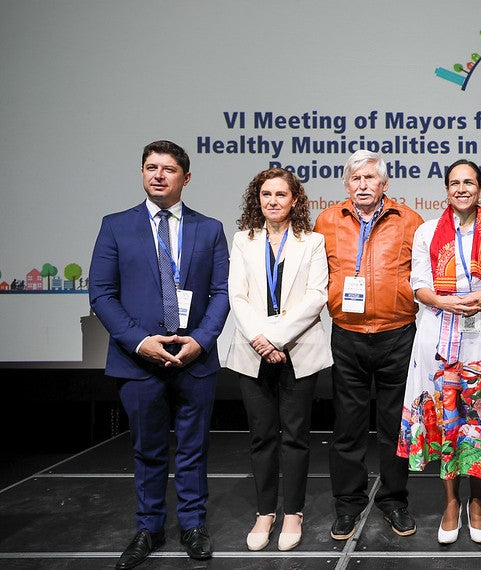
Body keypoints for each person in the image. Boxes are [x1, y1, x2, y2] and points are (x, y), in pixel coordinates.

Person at [89, 140, 229, 569]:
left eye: (168, 169)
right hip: (138, 361)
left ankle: (193, 525)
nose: (158, 175)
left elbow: (222, 292)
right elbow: (102, 293)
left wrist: (200, 340)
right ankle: (148, 528)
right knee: (147, 450)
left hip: (194, 358)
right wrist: (139, 341)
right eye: (151, 167)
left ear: (186, 177)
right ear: (142, 173)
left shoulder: (210, 229)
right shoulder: (116, 226)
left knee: (193, 449)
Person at [397, 159, 481, 545]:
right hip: (439, 332)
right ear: (447, 189)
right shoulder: (426, 232)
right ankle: (451, 502)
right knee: (447, 417)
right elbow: (418, 284)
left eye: (469, 182)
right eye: (454, 183)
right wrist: (443, 301)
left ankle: (478, 503)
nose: (462, 189)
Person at [314, 150, 424, 541]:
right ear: (347, 184)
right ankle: (348, 505)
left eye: (370, 178)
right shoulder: (327, 221)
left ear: (384, 184)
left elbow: (422, 274)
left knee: (395, 427)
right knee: (348, 427)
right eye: (356, 178)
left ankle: (394, 502)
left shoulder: (409, 220)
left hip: (398, 334)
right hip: (348, 335)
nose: (363, 185)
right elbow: (317, 274)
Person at [226, 167, 333, 552]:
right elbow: (237, 295)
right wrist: (261, 339)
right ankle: (265, 512)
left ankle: (293, 513)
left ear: (294, 200)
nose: (273, 201)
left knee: (296, 437)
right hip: (252, 350)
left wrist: (276, 338)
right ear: (257, 200)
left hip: (297, 350)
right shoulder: (243, 239)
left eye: (280, 194)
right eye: (266, 194)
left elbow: (317, 296)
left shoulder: (313, 241)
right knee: (261, 436)